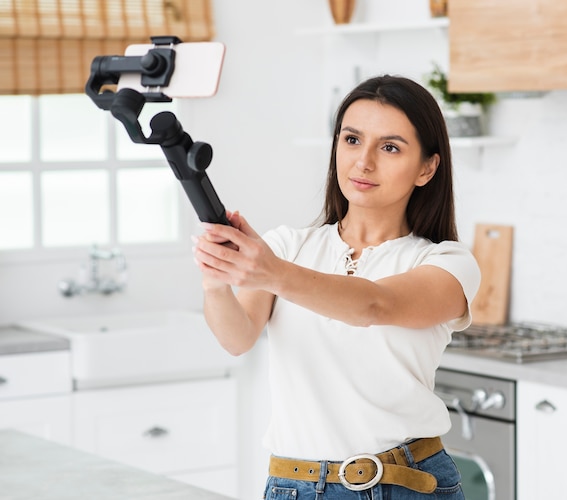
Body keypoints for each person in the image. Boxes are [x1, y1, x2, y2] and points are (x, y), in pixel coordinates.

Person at [192, 75, 481, 499]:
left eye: (389, 147)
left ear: (427, 168)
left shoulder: (446, 263)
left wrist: (271, 272)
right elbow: (237, 339)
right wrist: (216, 282)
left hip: (403, 485)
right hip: (293, 486)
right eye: (351, 139)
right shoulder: (287, 246)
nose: (363, 162)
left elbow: (374, 305)